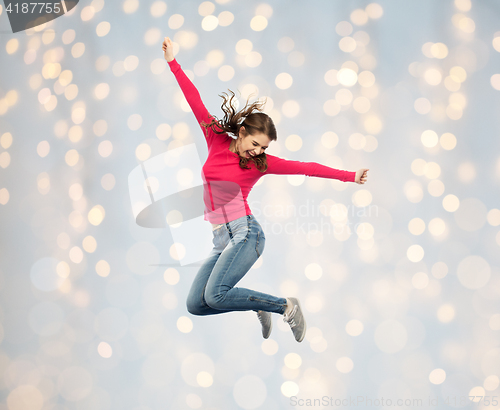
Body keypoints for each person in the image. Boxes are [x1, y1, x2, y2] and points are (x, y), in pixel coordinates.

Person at [162, 37, 369, 343]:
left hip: (246, 234)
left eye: (263, 148)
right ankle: (256, 305)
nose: (257, 151)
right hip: (221, 239)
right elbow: (195, 100)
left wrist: (349, 175)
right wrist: (172, 62)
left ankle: (284, 306)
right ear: (242, 132)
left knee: (216, 296)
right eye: (254, 143)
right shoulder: (216, 138)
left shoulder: (260, 163)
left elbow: (306, 167)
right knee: (196, 304)